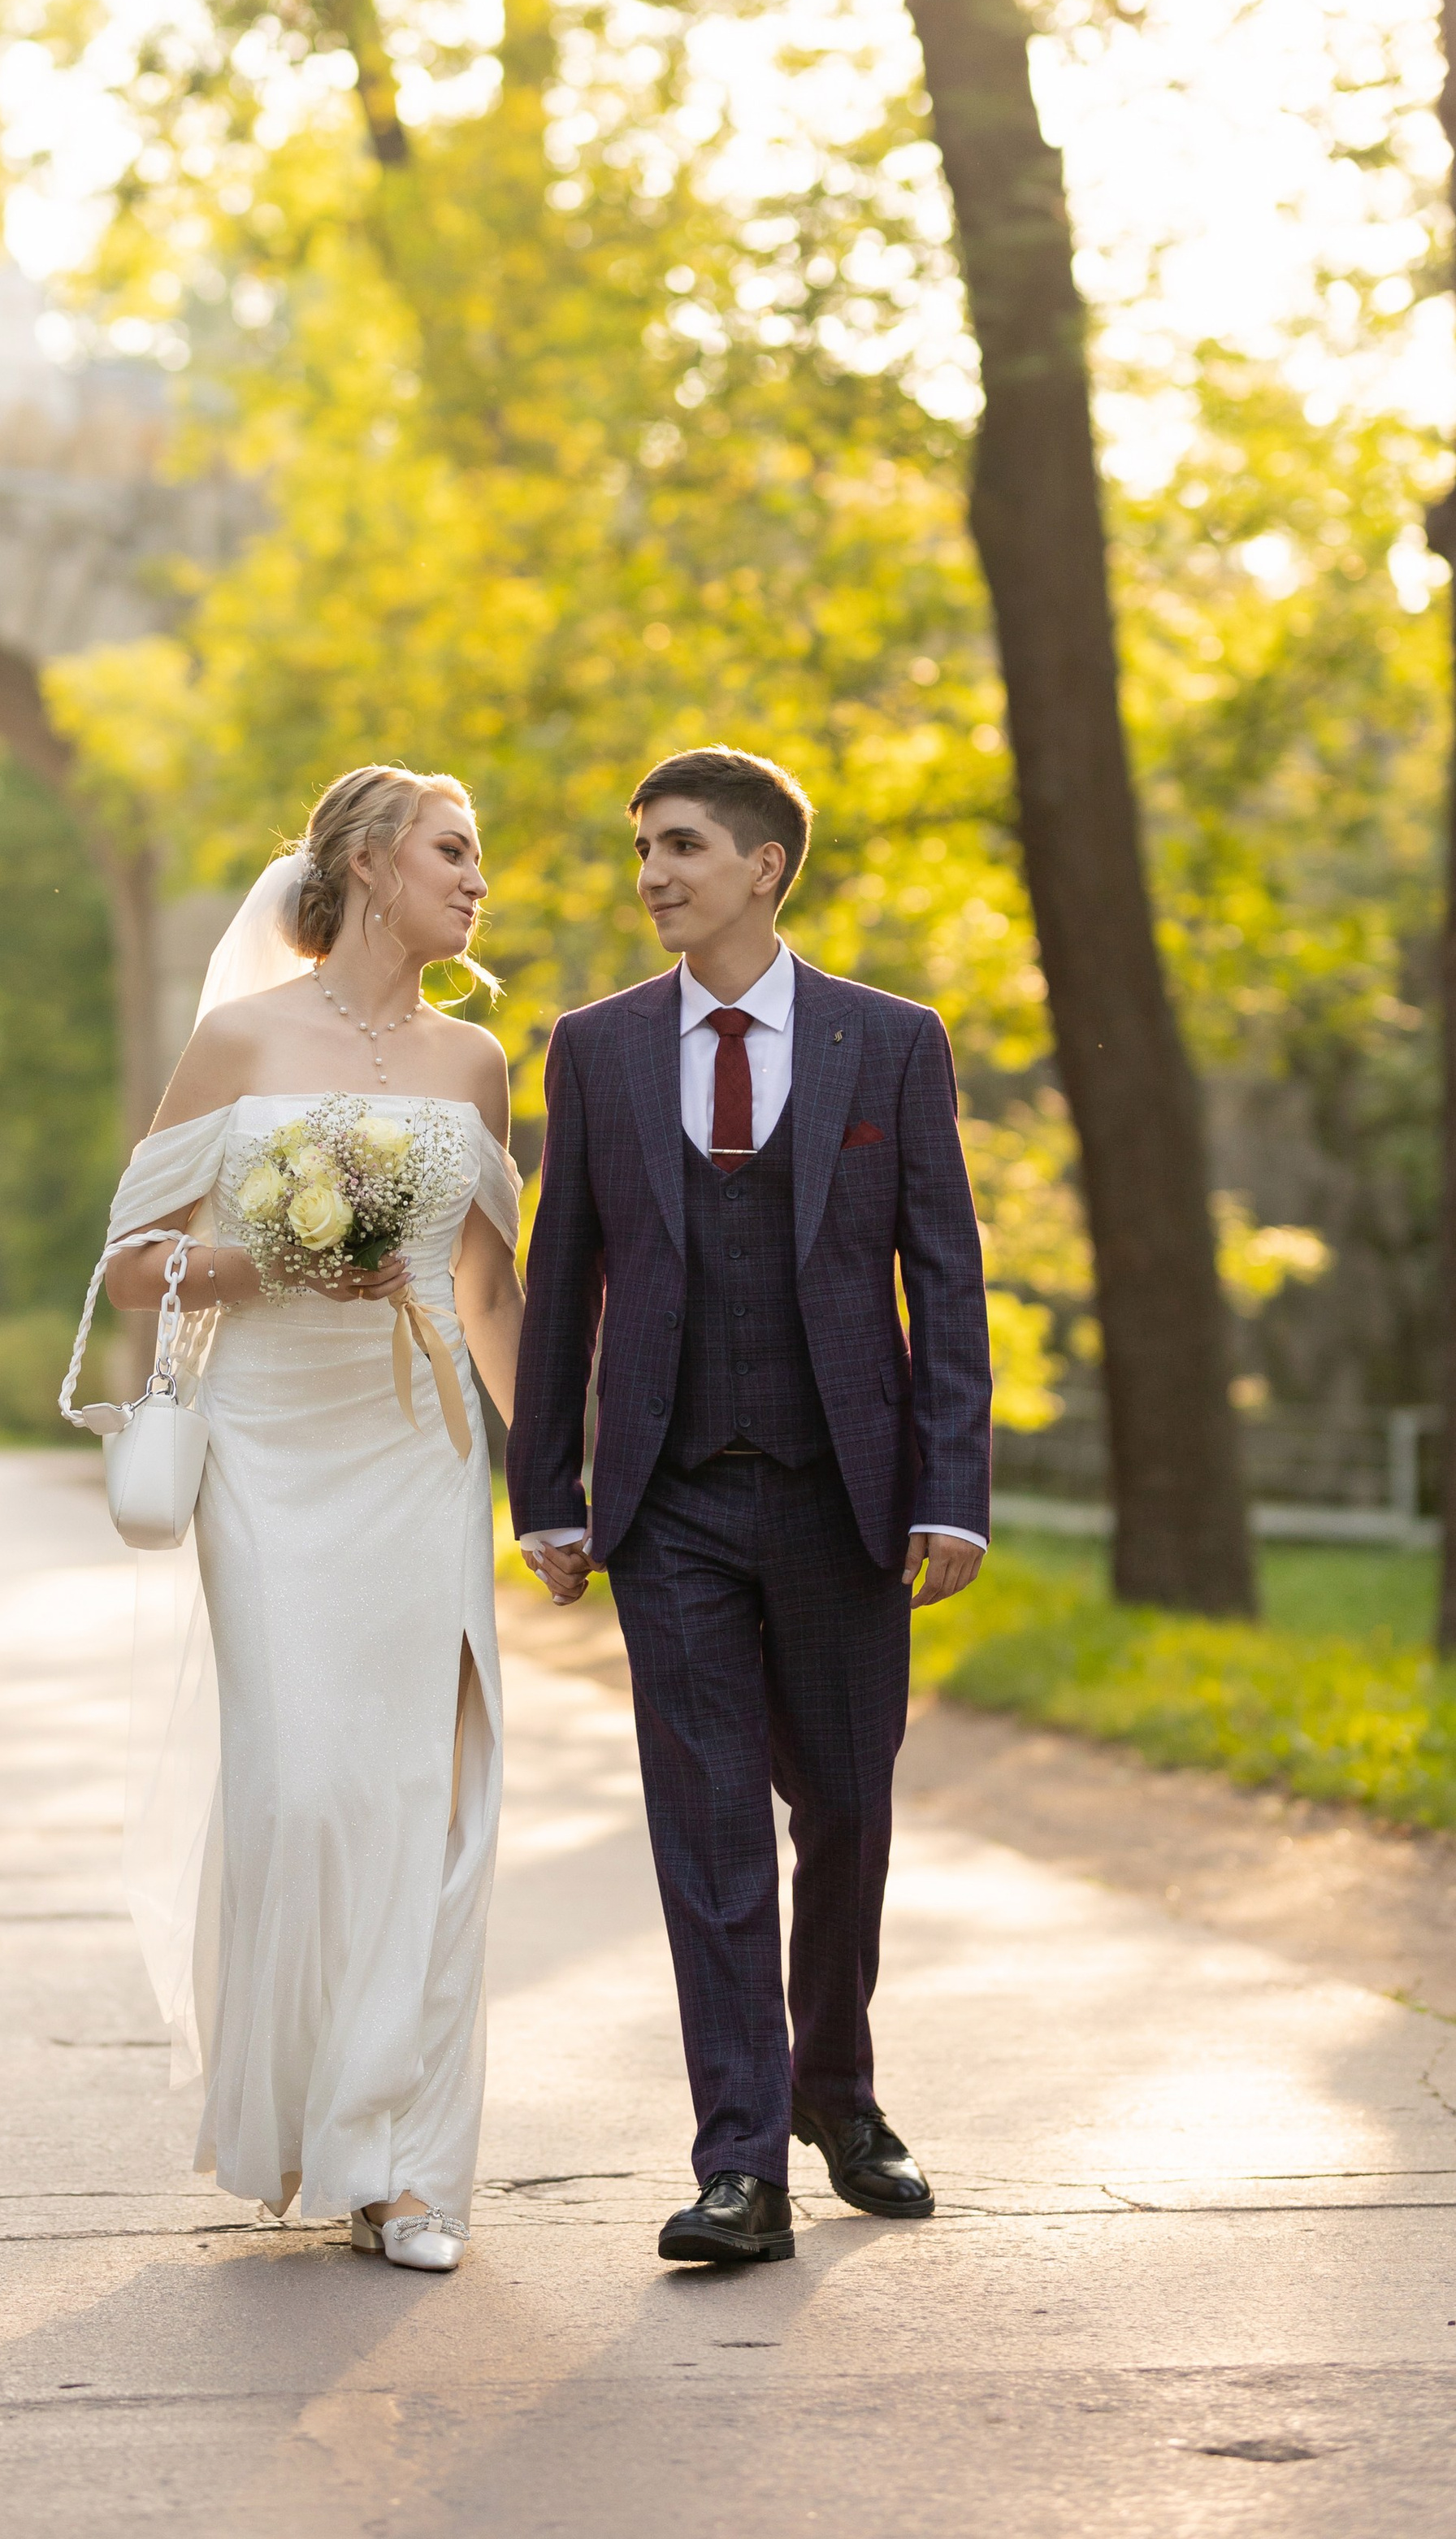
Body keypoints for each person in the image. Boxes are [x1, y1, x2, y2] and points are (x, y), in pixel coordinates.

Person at [508, 744, 991, 2268]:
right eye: (644, 848)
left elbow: (945, 1274)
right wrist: (548, 1491)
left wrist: (953, 1491)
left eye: (683, 846)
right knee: (708, 1825)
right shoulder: (595, 1048)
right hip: (671, 1504)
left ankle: (836, 2092)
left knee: (844, 1810)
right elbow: (563, 1275)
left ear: (764, 865)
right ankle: (740, 2165)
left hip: (847, 1494)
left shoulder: (889, 1040)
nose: (653, 874)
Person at [98, 765, 522, 2273]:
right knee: (298, 1794)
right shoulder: (240, 1039)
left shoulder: (476, 1061)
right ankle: (300, 2122)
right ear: (369, 862)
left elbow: (488, 1288)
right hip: (269, 1449)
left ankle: (397, 2164)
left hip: (420, 1446)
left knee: (418, 1794)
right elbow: (132, 1264)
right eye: (453, 850)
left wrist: (562, 1477)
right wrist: (262, 1258)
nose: (478, 880)